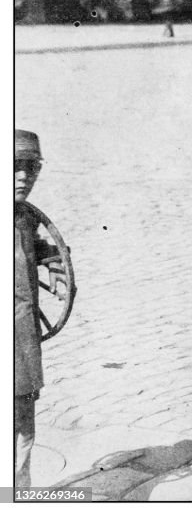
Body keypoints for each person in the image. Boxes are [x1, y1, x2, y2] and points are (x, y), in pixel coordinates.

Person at [15, 130, 69, 488]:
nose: (23, 176)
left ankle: (18, 494)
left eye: (31, 167)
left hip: (21, 342)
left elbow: (37, 247)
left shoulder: (24, 218)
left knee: (22, 422)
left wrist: (52, 260)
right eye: (14, 166)